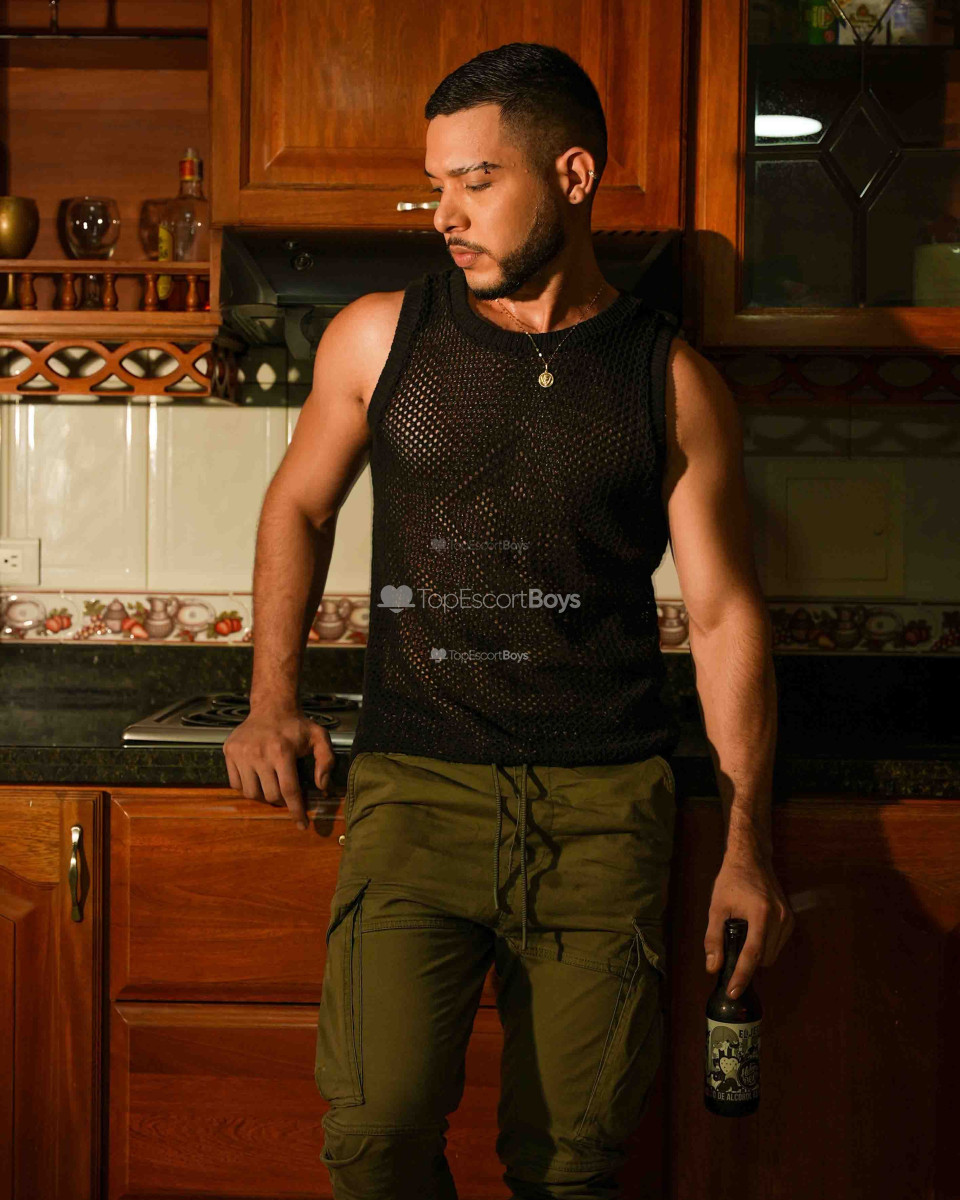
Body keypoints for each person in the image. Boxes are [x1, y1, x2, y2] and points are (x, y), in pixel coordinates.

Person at [223, 40, 794, 1200]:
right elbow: (298, 505)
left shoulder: (670, 383)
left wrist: (747, 844)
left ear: (572, 177)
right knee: (374, 1141)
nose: (445, 213)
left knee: (572, 1168)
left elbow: (724, 616)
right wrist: (270, 700)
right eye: (436, 184)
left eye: (477, 181)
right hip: (414, 791)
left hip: (602, 810)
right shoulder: (380, 338)